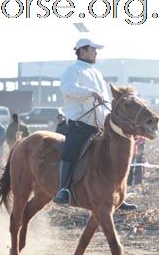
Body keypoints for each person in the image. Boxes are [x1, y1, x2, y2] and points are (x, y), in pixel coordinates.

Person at [53, 38, 136, 211]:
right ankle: (63, 190)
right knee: (71, 152)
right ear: (82, 51)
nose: (96, 52)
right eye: (93, 49)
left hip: (100, 124)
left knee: (116, 155)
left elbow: (104, 99)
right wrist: (89, 93)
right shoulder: (73, 70)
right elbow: (67, 88)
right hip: (80, 123)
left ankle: (117, 195)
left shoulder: (96, 73)